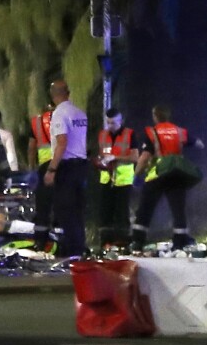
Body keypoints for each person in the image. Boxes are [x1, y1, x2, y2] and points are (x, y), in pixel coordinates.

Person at [130, 104, 204, 251]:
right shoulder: (179, 131)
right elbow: (199, 144)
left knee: (146, 207)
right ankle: (181, 241)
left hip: (158, 173)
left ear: (155, 117)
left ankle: (138, 241)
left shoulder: (152, 132)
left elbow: (145, 157)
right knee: (178, 209)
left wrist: (137, 174)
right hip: (177, 173)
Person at [43, 80, 89, 257]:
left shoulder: (59, 115)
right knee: (78, 210)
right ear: (68, 93)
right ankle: (80, 248)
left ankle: (72, 251)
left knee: (65, 210)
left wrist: (51, 170)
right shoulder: (79, 113)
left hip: (67, 167)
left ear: (53, 96)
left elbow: (62, 142)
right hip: (81, 166)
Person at [94, 108, 139, 250]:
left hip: (123, 180)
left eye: (113, 123)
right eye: (108, 123)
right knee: (105, 213)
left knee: (121, 213)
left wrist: (116, 158)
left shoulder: (129, 134)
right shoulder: (102, 135)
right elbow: (101, 154)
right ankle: (105, 243)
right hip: (106, 179)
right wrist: (100, 162)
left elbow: (135, 157)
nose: (110, 126)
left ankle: (122, 242)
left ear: (121, 121)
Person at [28, 103, 55, 251]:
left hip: (43, 168)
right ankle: (60, 242)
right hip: (61, 167)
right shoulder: (62, 119)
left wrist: (32, 169)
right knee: (60, 205)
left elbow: (31, 148)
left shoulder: (36, 123)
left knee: (42, 207)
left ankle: (40, 242)